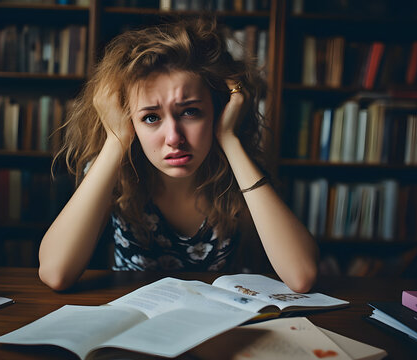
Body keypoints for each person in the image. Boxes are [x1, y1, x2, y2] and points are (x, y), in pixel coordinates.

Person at [38, 17, 318, 293]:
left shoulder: (238, 171)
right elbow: (55, 273)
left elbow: (301, 276)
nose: (174, 138)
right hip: (137, 324)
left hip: (220, 325)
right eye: (150, 118)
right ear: (128, 121)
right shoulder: (116, 172)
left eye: (190, 112)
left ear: (218, 111)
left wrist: (229, 139)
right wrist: (116, 139)